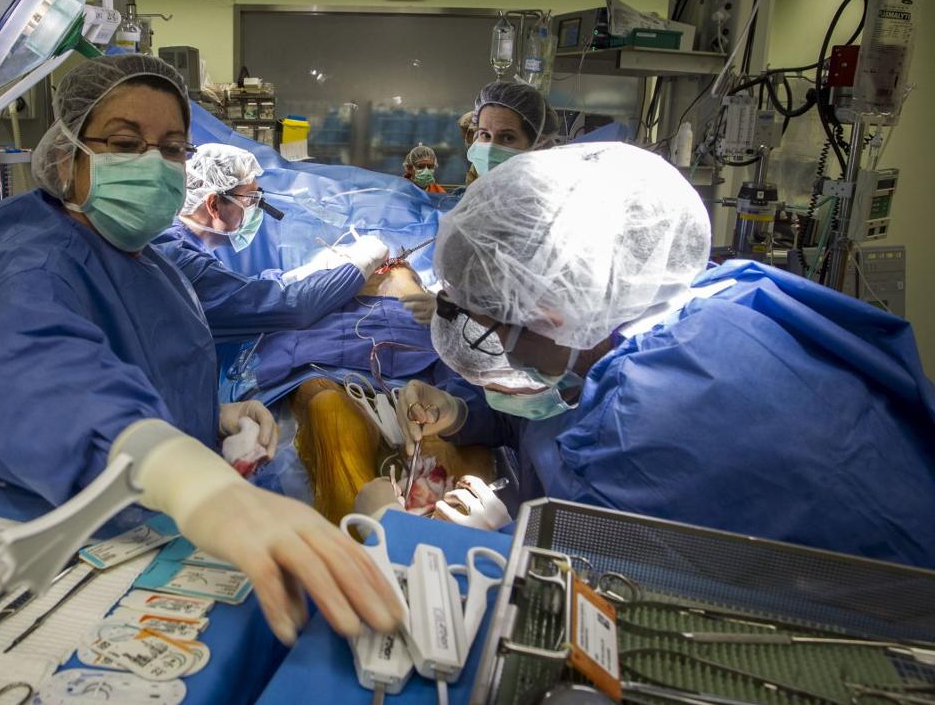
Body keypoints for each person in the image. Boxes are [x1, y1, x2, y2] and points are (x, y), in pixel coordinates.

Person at [0, 54, 402, 645]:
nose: (153, 165)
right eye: (125, 142)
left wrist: (207, 417)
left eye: (171, 148)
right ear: (66, 156)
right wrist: (189, 479)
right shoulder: (29, 258)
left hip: (144, 523)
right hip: (50, 534)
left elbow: (139, 361)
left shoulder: (146, 258)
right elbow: (33, 374)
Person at [395, 142, 935, 568]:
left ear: (549, 313)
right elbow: (562, 405)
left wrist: (446, 541)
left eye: (488, 334)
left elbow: (564, 592)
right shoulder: (720, 296)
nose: (493, 358)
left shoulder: (648, 426)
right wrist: (469, 411)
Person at [152, 143, 388, 338]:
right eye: (251, 199)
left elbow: (236, 291)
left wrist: (301, 274)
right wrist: (359, 264)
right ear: (213, 204)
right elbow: (289, 308)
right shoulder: (180, 260)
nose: (256, 209)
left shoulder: (183, 243)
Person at [463, 80, 559, 184]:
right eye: (486, 135)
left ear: (538, 145)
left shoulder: (545, 197)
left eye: (507, 137)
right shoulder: (472, 195)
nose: (490, 151)